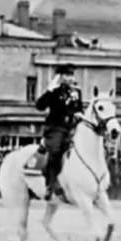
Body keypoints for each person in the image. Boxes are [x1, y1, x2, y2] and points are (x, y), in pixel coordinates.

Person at [35, 64, 86, 197]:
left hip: (72, 127)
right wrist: (49, 91)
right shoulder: (54, 91)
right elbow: (39, 106)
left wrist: (80, 113)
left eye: (71, 75)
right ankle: (51, 184)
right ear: (60, 76)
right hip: (56, 127)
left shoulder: (76, 92)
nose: (70, 78)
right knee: (56, 151)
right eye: (67, 75)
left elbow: (79, 107)